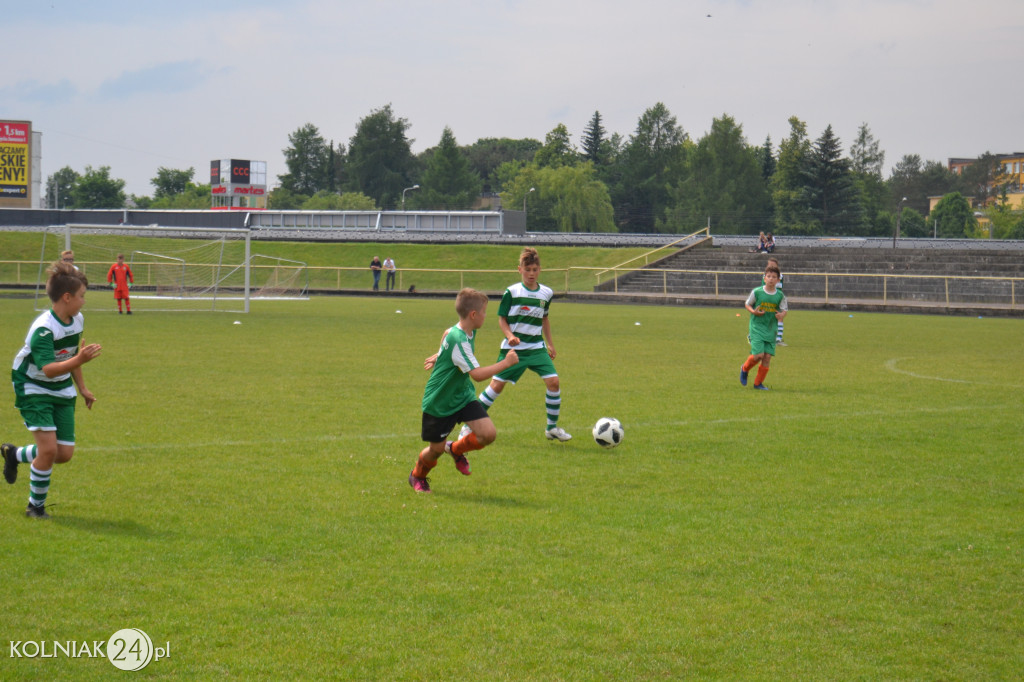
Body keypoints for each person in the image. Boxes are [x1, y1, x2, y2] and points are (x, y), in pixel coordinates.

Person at [2, 260, 102, 518]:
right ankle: (35, 507)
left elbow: (70, 356)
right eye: (82, 296)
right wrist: (79, 360)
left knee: (63, 453)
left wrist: (83, 388)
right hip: (32, 385)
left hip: (60, 388)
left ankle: (13, 454)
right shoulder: (44, 329)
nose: (84, 301)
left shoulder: (77, 319)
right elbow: (48, 368)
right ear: (66, 297)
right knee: (48, 450)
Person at [409, 288, 519, 493]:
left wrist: (440, 353)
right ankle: (417, 475)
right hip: (440, 402)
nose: (486, 316)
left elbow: (446, 334)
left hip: (462, 396)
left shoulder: (466, 330)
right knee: (435, 450)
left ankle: (456, 449)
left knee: (488, 434)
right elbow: (477, 375)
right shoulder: (458, 340)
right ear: (473, 315)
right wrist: (506, 363)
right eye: (484, 312)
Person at [472, 247, 571, 441]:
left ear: (539, 270)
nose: (531, 273)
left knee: (554, 382)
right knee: (496, 386)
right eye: (528, 270)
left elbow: (545, 319)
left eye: (535, 269)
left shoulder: (546, 293)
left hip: (536, 348)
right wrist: (509, 336)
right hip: (514, 350)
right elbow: (502, 319)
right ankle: (470, 424)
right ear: (520, 270)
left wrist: (550, 344)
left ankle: (552, 428)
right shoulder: (512, 292)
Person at [739, 263, 787, 391]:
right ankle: (744, 368)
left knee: (767, 358)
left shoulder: (780, 295)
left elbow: (784, 310)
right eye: (769, 276)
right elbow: (747, 304)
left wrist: (781, 315)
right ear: (764, 278)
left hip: (771, 329)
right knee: (758, 355)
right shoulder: (757, 292)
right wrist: (753, 311)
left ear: (778, 280)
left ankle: (758, 384)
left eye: (774, 277)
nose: (771, 279)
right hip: (757, 327)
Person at [765, 257, 786, 346]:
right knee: (766, 318)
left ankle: (778, 339)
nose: (772, 267)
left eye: (773, 266)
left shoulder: (780, 276)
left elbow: (780, 288)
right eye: (770, 265)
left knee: (780, 317)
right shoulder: (765, 276)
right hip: (768, 299)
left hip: (777, 299)